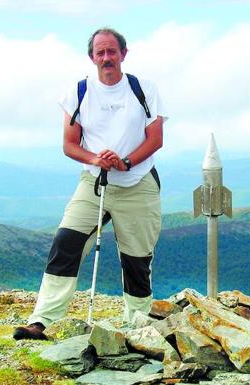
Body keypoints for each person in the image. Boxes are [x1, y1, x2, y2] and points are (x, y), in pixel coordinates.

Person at [13, 27, 166, 340]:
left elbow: (155, 139)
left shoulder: (143, 89)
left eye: (112, 51)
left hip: (137, 183)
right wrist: (96, 159)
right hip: (94, 182)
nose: (107, 58)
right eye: (101, 53)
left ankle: (138, 325)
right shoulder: (79, 92)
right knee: (65, 243)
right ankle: (42, 321)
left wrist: (125, 162)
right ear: (92, 57)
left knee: (137, 259)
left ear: (123, 54)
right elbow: (70, 144)